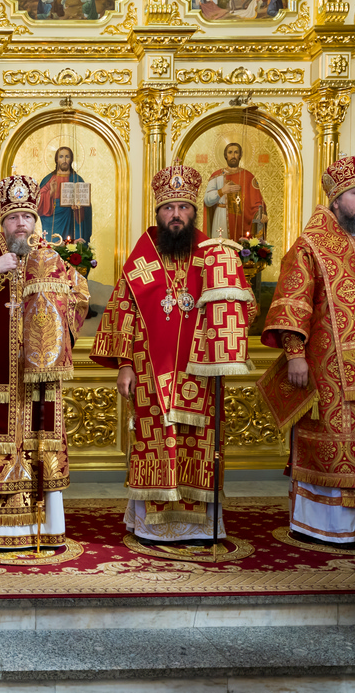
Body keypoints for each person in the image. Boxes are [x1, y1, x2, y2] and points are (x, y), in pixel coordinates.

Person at [91, 165, 255, 544]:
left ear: (194, 211)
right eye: (169, 208)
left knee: (199, 442)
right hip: (151, 371)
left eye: (183, 207)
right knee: (156, 443)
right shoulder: (143, 257)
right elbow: (124, 312)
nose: (176, 214)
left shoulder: (213, 254)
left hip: (201, 370)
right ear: (158, 213)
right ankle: (153, 525)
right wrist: (125, 365)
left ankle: (200, 525)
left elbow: (241, 307)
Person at [259, 157, 355, 547]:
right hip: (331, 370)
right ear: (336, 199)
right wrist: (295, 353)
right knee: (332, 445)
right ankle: (324, 526)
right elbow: (293, 300)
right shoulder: (312, 244)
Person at [0, 175, 89, 551]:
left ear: (35, 221)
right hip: (0, 379)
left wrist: (55, 331)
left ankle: (47, 528)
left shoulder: (49, 258)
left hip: (40, 381)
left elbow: (80, 296)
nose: (21, 224)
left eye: (27, 217)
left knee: (41, 442)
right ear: (3, 222)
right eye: (13, 218)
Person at [203, 142, 267, 241]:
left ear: (240, 155)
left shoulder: (248, 176)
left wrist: (261, 214)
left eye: (236, 152)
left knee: (240, 247)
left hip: (241, 220)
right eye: (230, 152)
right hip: (221, 217)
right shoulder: (216, 176)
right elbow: (207, 200)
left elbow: (257, 201)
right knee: (221, 247)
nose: (233, 155)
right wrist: (222, 191)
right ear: (225, 155)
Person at [36, 146, 91, 243]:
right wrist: (51, 192)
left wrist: (78, 208)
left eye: (67, 157)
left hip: (72, 220)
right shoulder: (49, 179)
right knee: (53, 245)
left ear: (71, 159)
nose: (64, 160)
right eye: (61, 157)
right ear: (56, 160)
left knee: (71, 246)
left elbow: (85, 204)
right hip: (53, 222)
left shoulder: (77, 179)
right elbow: (39, 202)